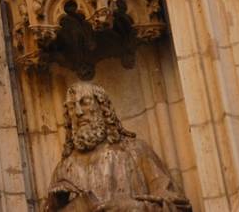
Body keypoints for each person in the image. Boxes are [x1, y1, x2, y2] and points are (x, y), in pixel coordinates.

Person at [42, 82, 190, 211]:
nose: (78, 112)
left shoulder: (135, 151)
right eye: (72, 107)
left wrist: (131, 207)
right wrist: (54, 205)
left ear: (102, 107)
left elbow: (178, 206)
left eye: (85, 102)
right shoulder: (63, 170)